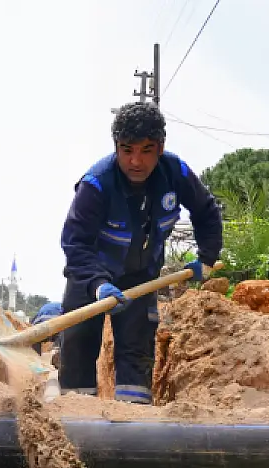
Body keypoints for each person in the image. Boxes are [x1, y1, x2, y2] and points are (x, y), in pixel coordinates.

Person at [58, 102, 223, 404]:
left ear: (160, 148)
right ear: (116, 148)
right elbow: (75, 243)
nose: (136, 161)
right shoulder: (96, 185)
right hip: (89, 280)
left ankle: (131, 431)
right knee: (77, 352)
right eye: (127, 150)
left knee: (137, 360)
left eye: (146, 150)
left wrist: (206, 257)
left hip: (140, 281)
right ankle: (75, 424)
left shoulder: (177, 174)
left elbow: (207, 211)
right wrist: (97, 285)